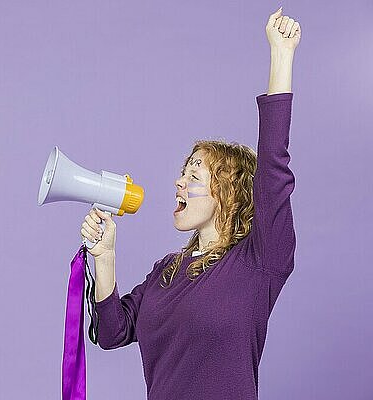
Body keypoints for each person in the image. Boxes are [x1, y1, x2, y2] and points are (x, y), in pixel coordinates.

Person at [80, 7, 301, 400]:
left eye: (194, 175)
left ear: (228, 195)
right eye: (184, 172)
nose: (178, 182)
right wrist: (106, 256)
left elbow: (273, 167)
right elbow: (112, 331)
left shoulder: (260, 260)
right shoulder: (167, 271)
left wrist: (281, 56)